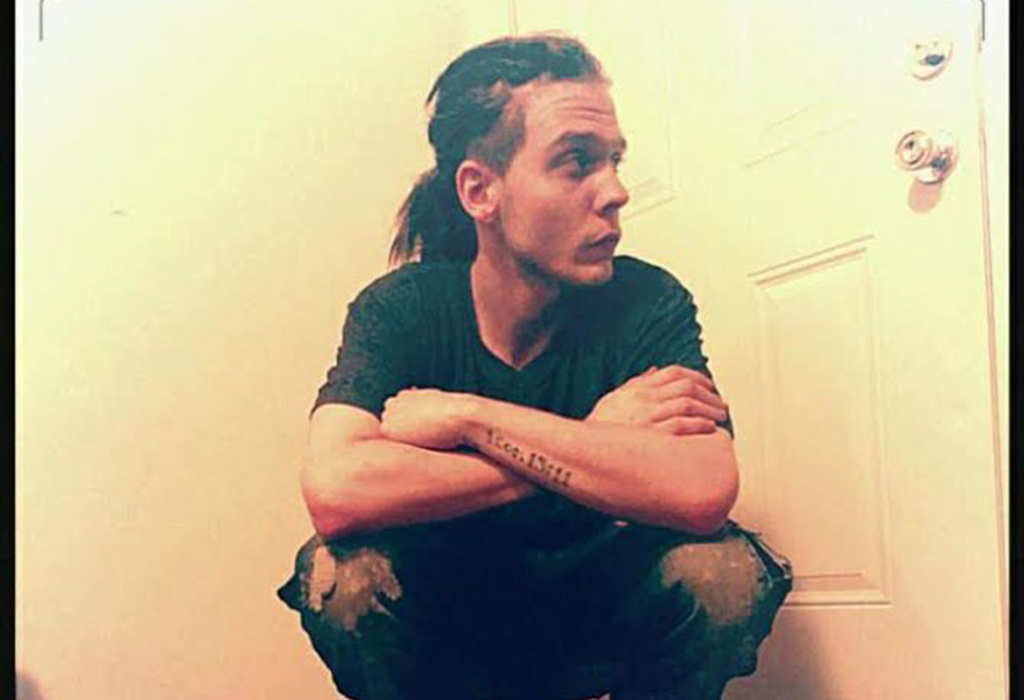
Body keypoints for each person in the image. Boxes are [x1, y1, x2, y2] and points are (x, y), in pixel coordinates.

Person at [277, 33, 792, 700]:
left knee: (722, 574)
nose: (616, 191)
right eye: (577, 162)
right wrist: (597, 438)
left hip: (598, 611)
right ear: (480, 191)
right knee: (345, 577)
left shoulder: (647, 300)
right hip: (453, 623)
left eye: (613, 160)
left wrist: (469, 418)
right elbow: (337, 489)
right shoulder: (402, 309)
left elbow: (702, 489)